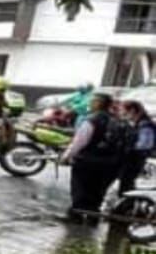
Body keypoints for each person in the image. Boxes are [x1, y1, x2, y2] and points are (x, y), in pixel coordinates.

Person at [62, 91, 125, 223]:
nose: (90, 103)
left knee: (80, 188)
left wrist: (67, 156)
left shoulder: (92, 120)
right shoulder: (117, 120)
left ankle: (77, 215)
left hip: (87, 161)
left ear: (98, 103)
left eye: (92, 101)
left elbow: (79, 142)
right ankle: (93, 216)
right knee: (98, 191)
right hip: (110, 163)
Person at [118, 99, 156, 195]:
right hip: (133, 160)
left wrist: (128, 149)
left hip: (134, 160)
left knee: (127, 186)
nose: (121, 113)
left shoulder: (145, 125)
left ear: (132, 111)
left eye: (123, 111)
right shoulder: (138, 124)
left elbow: (144, 145)